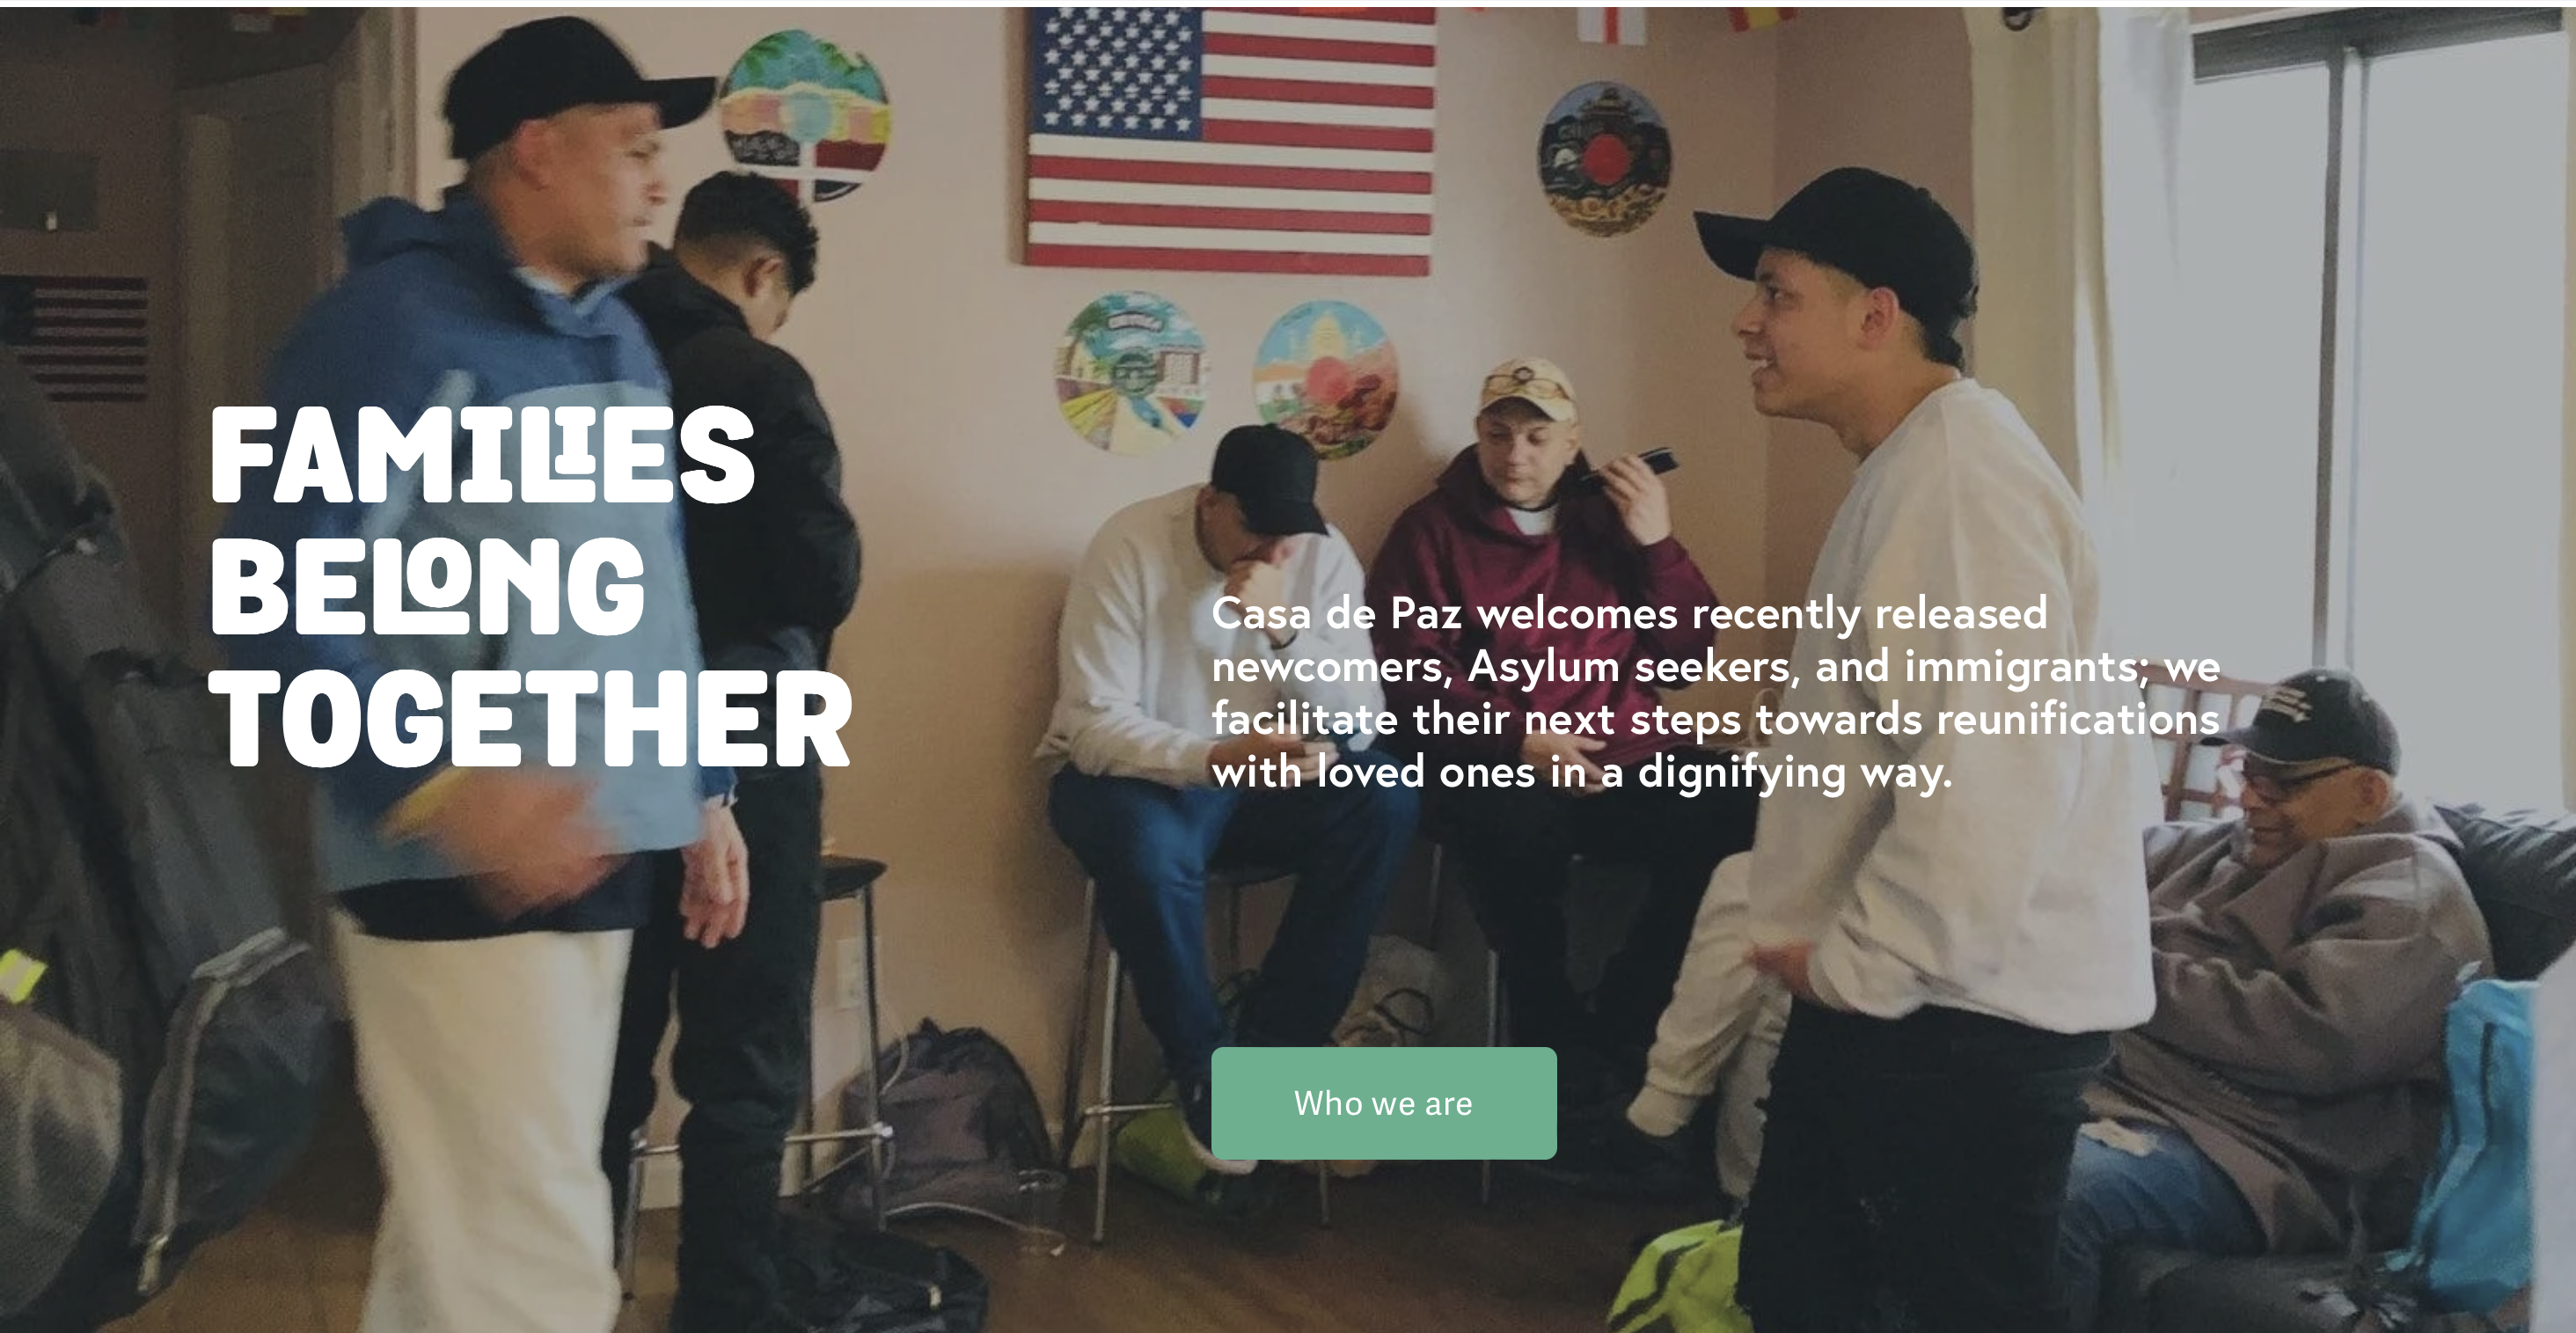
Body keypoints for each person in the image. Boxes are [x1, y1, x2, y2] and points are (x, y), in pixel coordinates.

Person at [216, 18, 748, 1333]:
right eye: (632, 149)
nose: (657, 181)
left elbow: (653, 586)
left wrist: (703, 786)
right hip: (452, 858)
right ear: (534, 149)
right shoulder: (381, 332)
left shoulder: (614, 338)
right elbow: (279, 599)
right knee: (533, 1247)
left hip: (598, 841)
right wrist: (441, 784)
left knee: (473, 1229)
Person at [1694, 166, 2159, 1333]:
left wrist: (1860, 968)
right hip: (1918, 1002)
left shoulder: (1957, 480)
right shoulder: (1919, 465)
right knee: (1801, 1291)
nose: (1746, 323)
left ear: (1875, 313)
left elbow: (1987, 781)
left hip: (1956, 1019)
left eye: (1776, 293)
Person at [601, 172, 860, 1333]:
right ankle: (722, 1304)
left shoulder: (582, 349)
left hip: (590, 736)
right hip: (747, 726)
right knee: (743, 1050)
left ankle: (573, 1292)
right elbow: (821, 576)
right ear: (765, 274)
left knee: (596, 1058)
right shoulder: (756, 377)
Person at [1366, 356, 1760, 1108]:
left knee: (1742, 802)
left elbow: (1684, 657)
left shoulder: (1609, 520)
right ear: (1477, 437)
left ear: (1573, 441)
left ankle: (1623, 1020)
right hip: (1497, 765)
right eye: (1498, 433)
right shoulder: (1430, 532)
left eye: (1537, 436)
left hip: (1622, 751)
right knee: (1513, 832)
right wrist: (1521, 741)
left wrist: (1657, 545)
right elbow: (1409, 675)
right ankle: (1559, 1052)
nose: (1516, 454)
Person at [2056, 670, 2493, 1333]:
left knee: (2059, 1190)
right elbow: (2083, 880)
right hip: (2131, 1092)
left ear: (2367, 791)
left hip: (2267, 1151)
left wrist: (2121, 970)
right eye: (2247, 771)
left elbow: (2319, 1036)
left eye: (2283, 783)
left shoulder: (2410, 893)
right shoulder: (2218, 848)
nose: (2252, 799)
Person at [1038, 424, 1420, 1173]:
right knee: (1146, 848)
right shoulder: (1131, 544)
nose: (1274, 552)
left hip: (1259, 785)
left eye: (1291, 536)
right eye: (1257, 529)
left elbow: (1363, 720)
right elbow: (1091, 725)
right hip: (1136, 784)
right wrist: (1211, 756)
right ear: (1211, 502)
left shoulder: (1320, 557)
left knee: (1387, 795)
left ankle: (1273, 1062)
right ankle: (1209, 1073)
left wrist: (1287, 634)